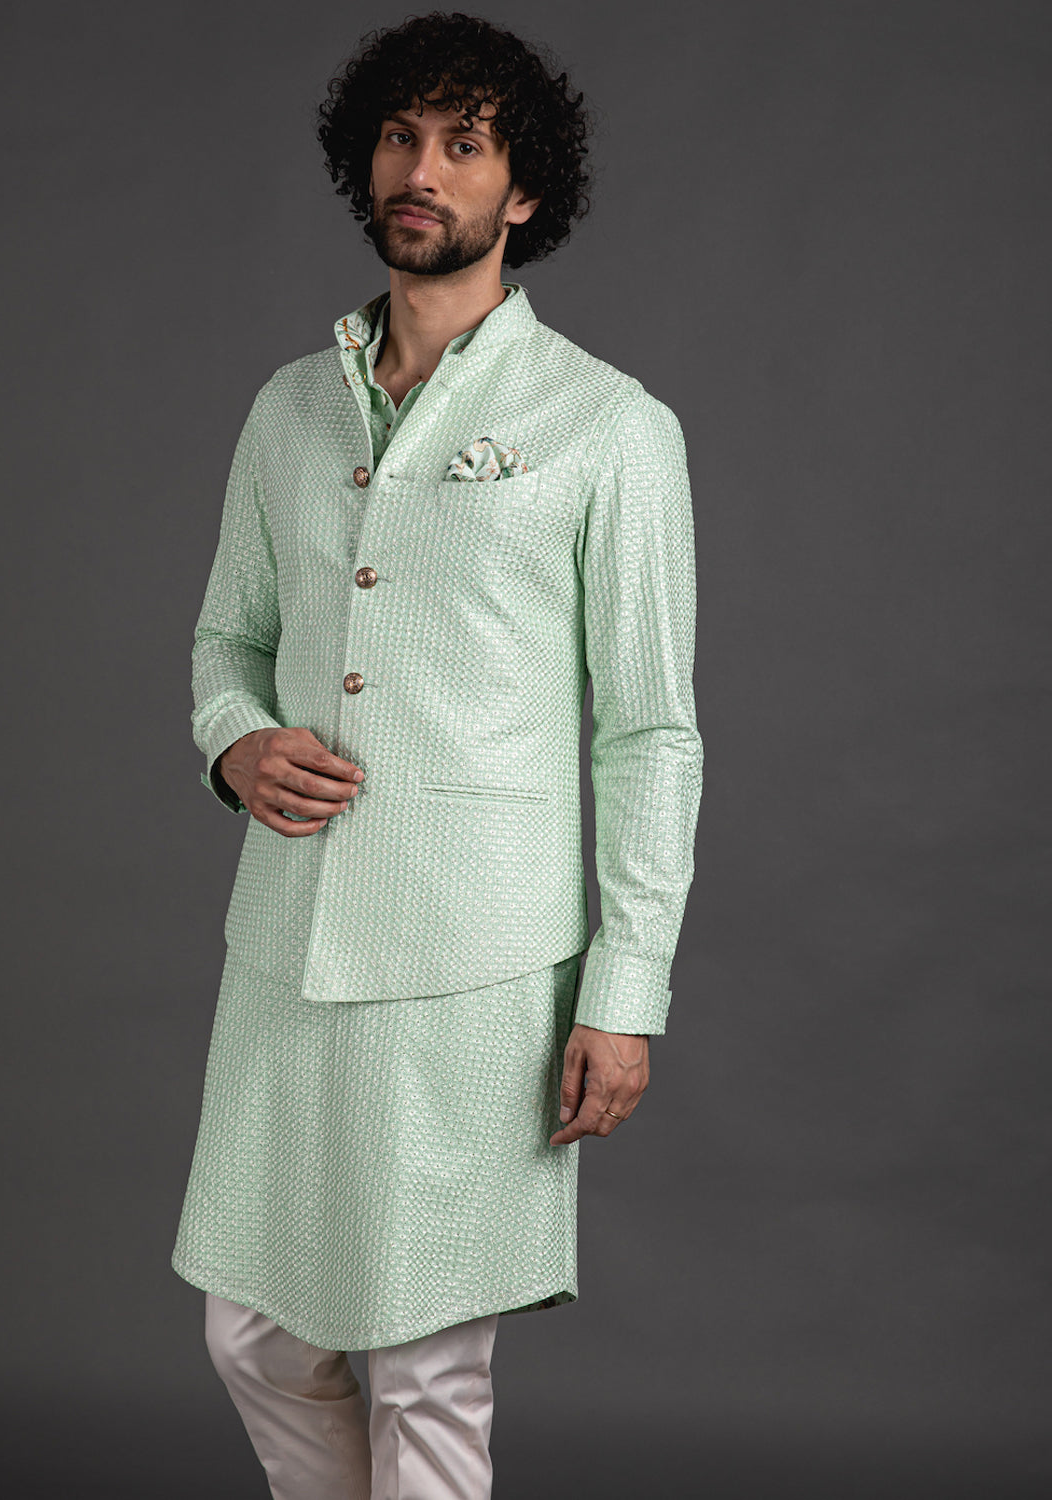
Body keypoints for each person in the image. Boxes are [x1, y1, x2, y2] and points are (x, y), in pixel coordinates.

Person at [171, 12, 703, 1498]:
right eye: (401, 138)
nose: (423, 169)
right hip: (287, 945)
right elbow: (226, 643)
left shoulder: (608, 425)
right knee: (253, 1334)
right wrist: (238, 746)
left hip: (478, 965)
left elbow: (650, 732)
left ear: (522, 191)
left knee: (423, 1366)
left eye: (465, 144)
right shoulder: (288, 408)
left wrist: (626, 992)